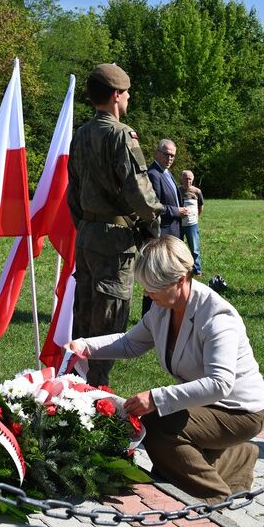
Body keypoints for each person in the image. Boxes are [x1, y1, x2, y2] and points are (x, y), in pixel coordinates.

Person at [64, 236, 264, 503]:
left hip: (241, 410)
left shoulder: (218, 318)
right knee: (161, 434)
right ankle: (234, 457)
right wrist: (83, 346)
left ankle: (211, 494)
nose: (147, 294)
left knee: (158, 426)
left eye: (153, 287)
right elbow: (129, 344)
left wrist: (156, 398)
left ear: (181, 280)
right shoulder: (163, 308)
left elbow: (220, 384)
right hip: (209, 403)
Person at [66, 63, 163, 387]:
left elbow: (73, 191)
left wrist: (87, 223)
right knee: (109, 317)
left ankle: (73, 390)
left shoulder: (80, 134)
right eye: (127, 92)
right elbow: (138, 189)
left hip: (87, 235)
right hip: (114, 241)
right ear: (116, 95)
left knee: (85, 313)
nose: (129, 97)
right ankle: (96, 394)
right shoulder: (121, 135)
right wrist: (155, 219)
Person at [143, 139, 187, 314]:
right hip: (161, 234)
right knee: (155, 278)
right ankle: (148, 316)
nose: (170, 158)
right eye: (167, 154)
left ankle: (163, 313)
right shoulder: (153, 174)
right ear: (157, 153)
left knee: (167, 278)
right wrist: (176, 211)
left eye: (173, 156)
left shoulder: (167, 173)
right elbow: (153, 206)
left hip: (173, 233)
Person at [179, 170, 204, 276]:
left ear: (192, 179)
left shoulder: (197, 191)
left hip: (192, 225)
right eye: (185, 178)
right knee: (178, 248)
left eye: (189, 178)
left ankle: (197, 270)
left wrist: (196, 218)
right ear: (181, 179)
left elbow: (201, 206)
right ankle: (180, 270)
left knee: (195, 248)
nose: (187, 180)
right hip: (178, 224)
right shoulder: (177, 190)